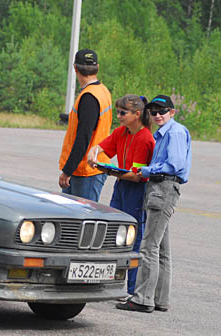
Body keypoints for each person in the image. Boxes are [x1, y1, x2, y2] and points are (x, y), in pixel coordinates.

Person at [116, 94, 192, 313]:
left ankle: (142, 298)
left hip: (163, 188)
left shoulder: (174, 132)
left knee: (148, 246)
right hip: (162, 188)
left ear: (172, 112)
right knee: (161, 248)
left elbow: (174, 164)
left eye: (162, 111)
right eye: (154, 111)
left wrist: (149, 170)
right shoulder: (163, 133)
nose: (157, 115)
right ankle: (159, 298)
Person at [87, 94, 155, 296]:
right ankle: (110, 283)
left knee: (133, 237)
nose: (119, 116)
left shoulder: (145, 138)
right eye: (117, 112)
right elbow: (104, 145)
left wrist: (109, 170)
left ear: (136, 114)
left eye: (122, 113)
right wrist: (94, 151)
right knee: (113, 233)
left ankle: (133, 290)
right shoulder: (122, 132)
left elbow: (136, 176)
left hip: (136, 189)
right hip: (121, 185)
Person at [58, 49, 113, 202]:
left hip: (85, 170)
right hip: (94, 165)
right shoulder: (102, 91)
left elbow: (84, 137)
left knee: (81, 220)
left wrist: (68, 170)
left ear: (75, 68)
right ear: (97, 67)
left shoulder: (89, 97)